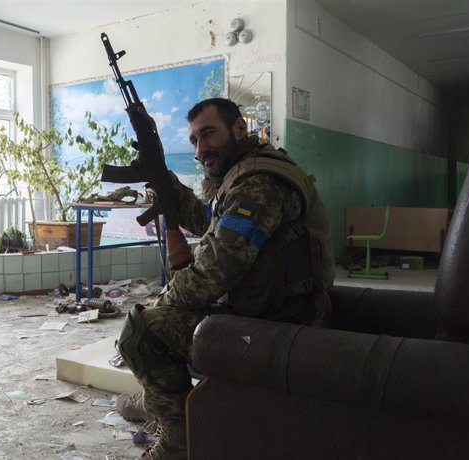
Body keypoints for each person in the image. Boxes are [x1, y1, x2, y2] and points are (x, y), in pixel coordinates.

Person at [116, 98, 335, 459]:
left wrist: (164, 300)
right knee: (154, 314)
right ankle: (161, 402)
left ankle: (178, 442)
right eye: (194, 141)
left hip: (281, 322)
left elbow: (210, 278)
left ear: (238, 129)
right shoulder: (243, 173)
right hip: (266, 308)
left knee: (144, 329)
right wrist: (164, 182)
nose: (201, 149)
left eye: (209, 134)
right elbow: (208, 219)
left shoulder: (259, 184)